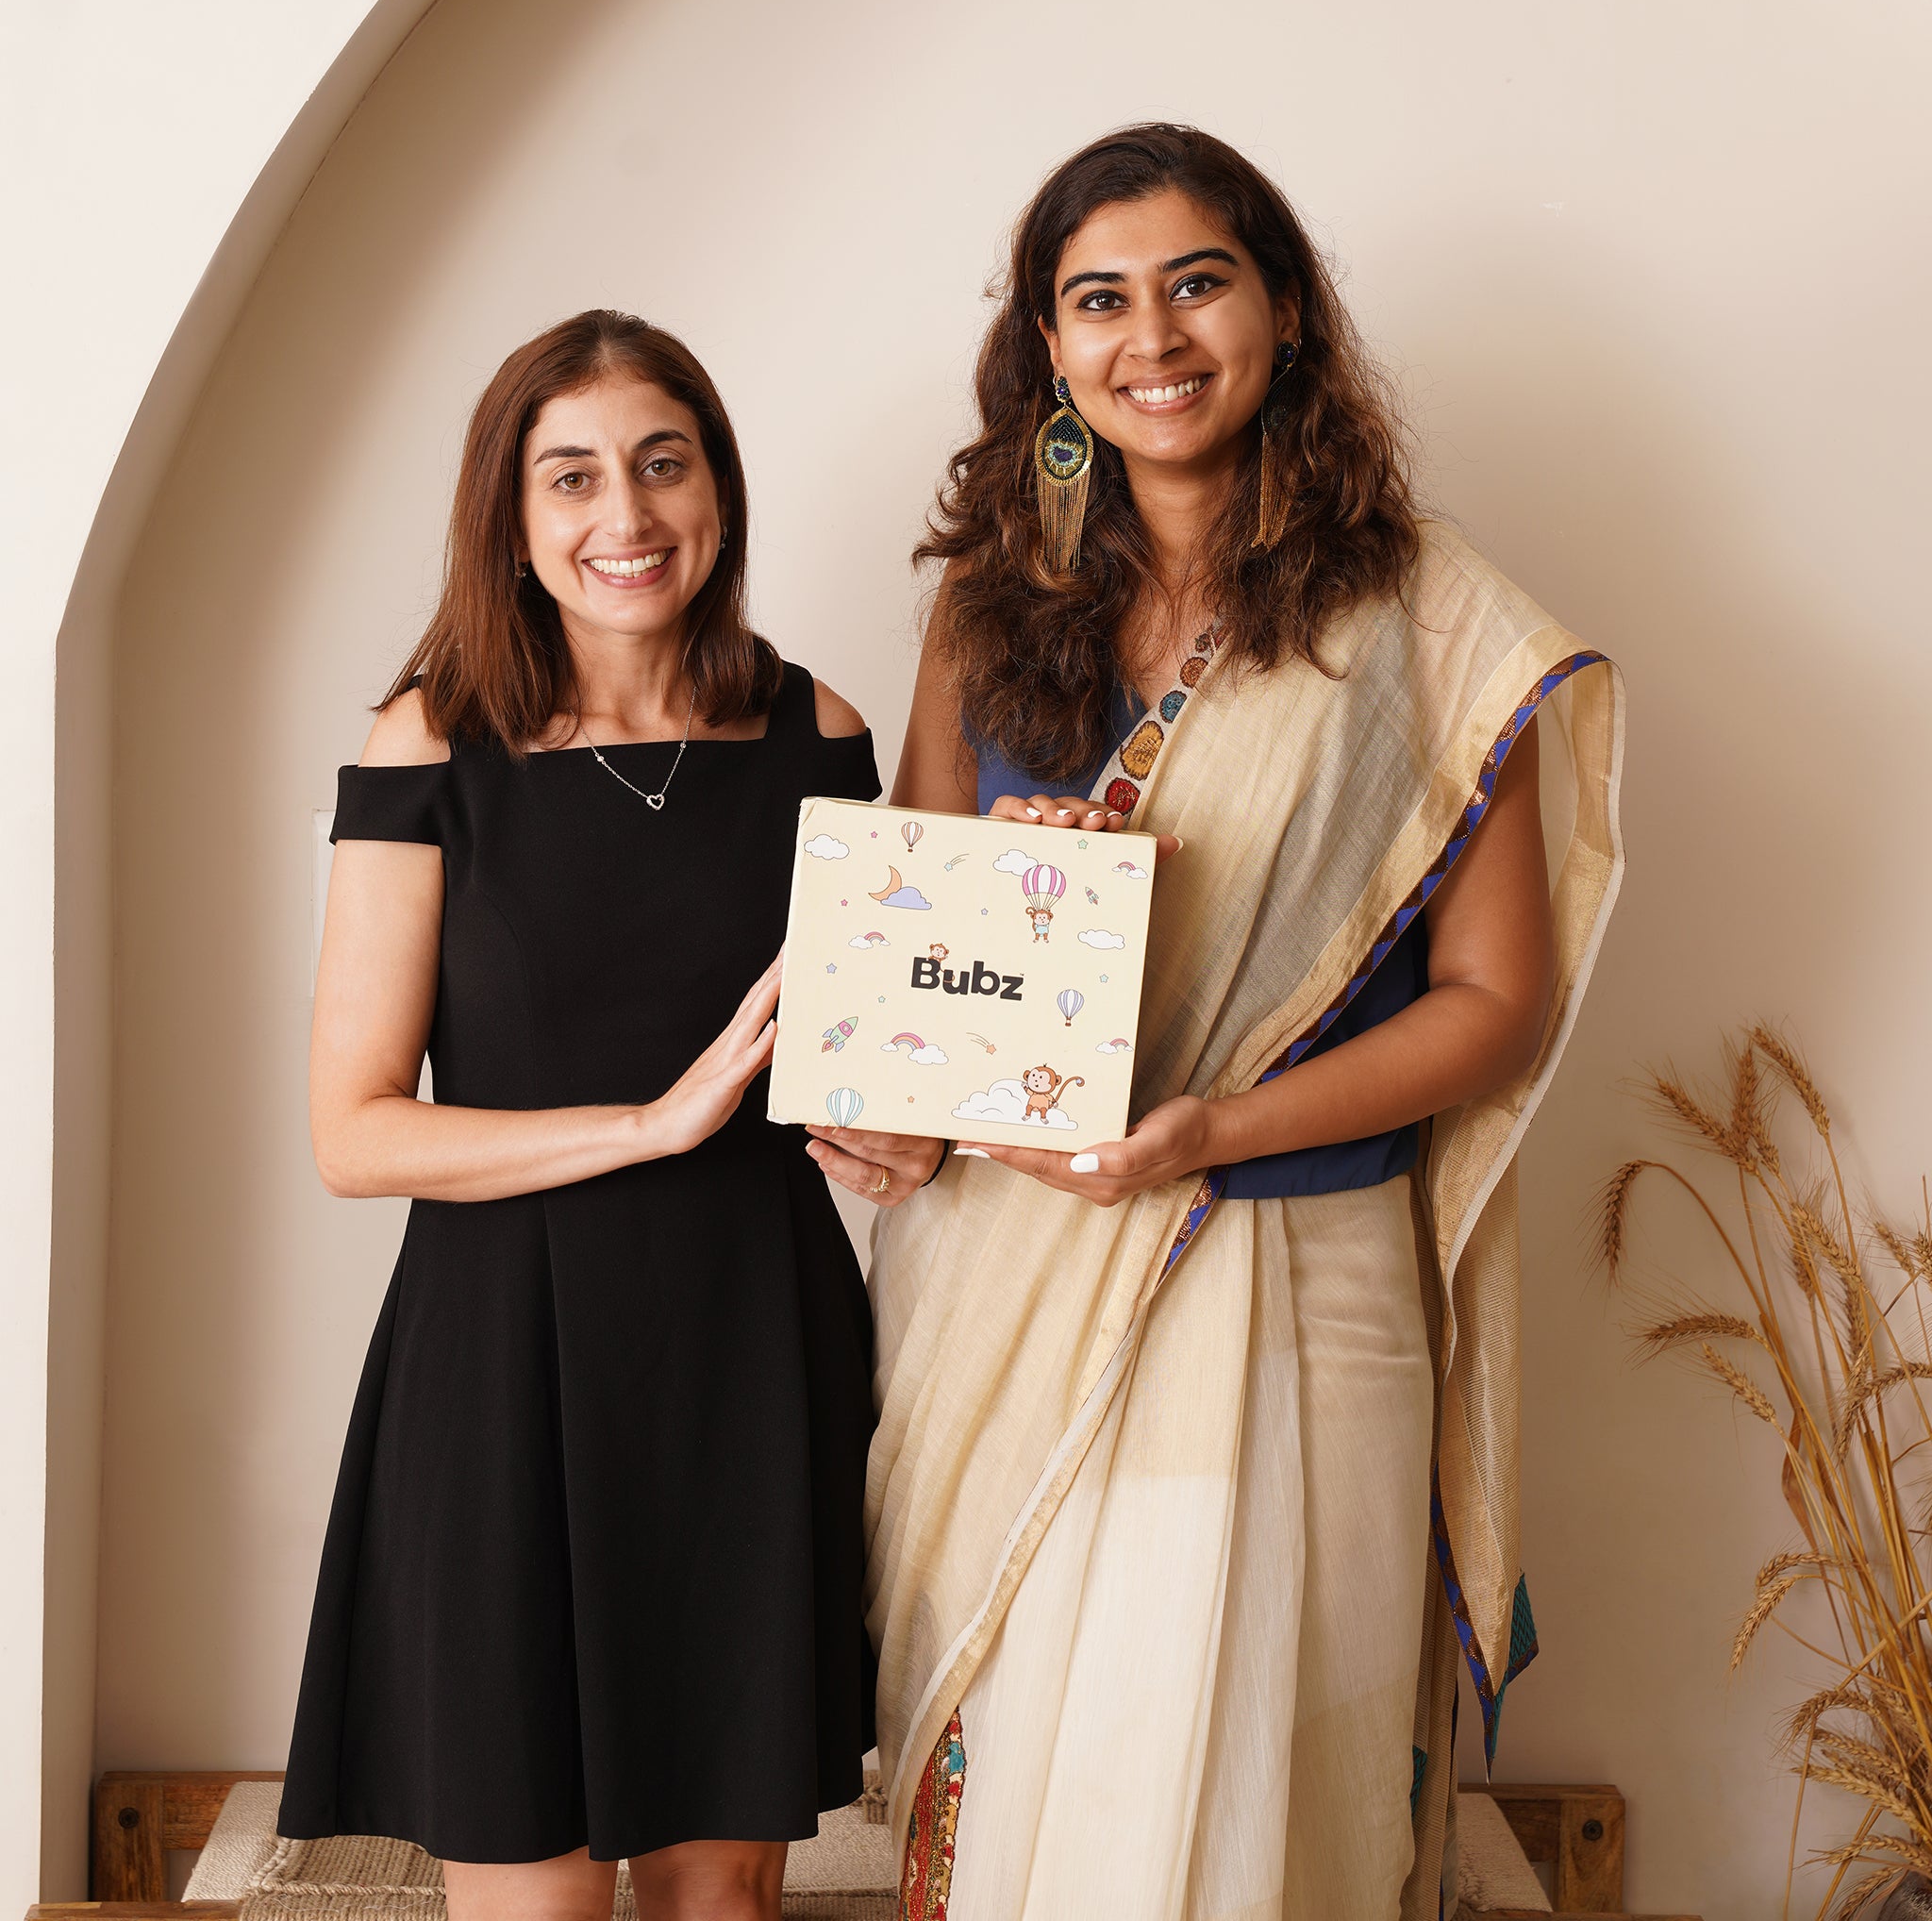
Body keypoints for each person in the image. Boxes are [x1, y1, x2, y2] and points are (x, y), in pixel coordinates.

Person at [863, 125, 1625, 1918]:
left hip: (1300, 1271)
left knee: (1262, 1796)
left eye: (1197, 280)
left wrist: (1211, 1129)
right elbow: (914, 939)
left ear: (1283, 306)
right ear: (1047, 351)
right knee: (1035, 1748)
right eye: (1097, 298)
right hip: (1006, 1274)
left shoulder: (1430, 624)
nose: (1154, 334)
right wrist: (891, 1091)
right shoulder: (991, 605)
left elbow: (1495, 1005)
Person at [280, 309, 939, 1921]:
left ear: (716, 487)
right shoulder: (430, 738)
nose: (624, 519)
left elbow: (879, 1069)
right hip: (503, 1365)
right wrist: (647, 1124)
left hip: (753, 1354)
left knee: (724, 1901)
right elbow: (354, 1133)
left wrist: (912, 1139)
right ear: (510, 515)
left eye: (663, 464)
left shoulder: (820, 735)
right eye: (570, 477)